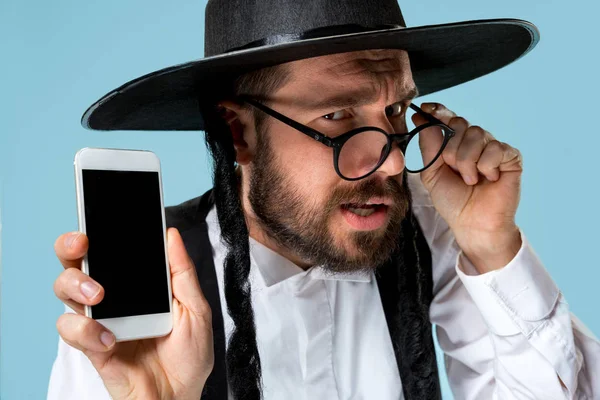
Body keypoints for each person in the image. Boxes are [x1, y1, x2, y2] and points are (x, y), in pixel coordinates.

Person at [48, 0, 600, 399]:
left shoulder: (429, 230)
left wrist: (493, 248)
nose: (387, 162)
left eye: (394, 114)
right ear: (238, 133)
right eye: (336, 117)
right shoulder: (149, 285)